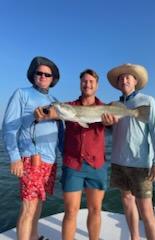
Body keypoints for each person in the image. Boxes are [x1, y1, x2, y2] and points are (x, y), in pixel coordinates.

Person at [35, 69, 107, 240]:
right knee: (70, 211)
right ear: (80, 83)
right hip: (73, 164)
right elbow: (52, 111)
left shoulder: (105, 109)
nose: (87, 84)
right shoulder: (69, 107)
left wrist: (113, 121)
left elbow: (114, 125)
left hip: (97, 164)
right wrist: (42, 113)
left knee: (96, 209)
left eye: (91, 81)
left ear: (96, 85)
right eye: (84, 81)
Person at [2, 56, 64, 240]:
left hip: (51, 160)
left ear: (53, 79)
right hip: (31, 158)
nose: (43, 76)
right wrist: (15, 157)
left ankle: (35, 236)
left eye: (47, 74)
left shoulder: (55, 100)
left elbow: (60, 133)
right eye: (40, 73)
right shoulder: (22, 93)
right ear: (33, 75)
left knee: (38, 204)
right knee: (28, 206)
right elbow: (9, 127)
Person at [102, 63, 155, 240]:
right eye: (121, 77)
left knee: (146, 211)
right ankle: (134, 238)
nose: (124, 79)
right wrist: (107, 126)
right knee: (127, 203)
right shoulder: (113, 105)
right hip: (118, 162)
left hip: (141, 163)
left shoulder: (148, 101)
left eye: (128, 76)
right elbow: (111, 132)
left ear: (136, 81)